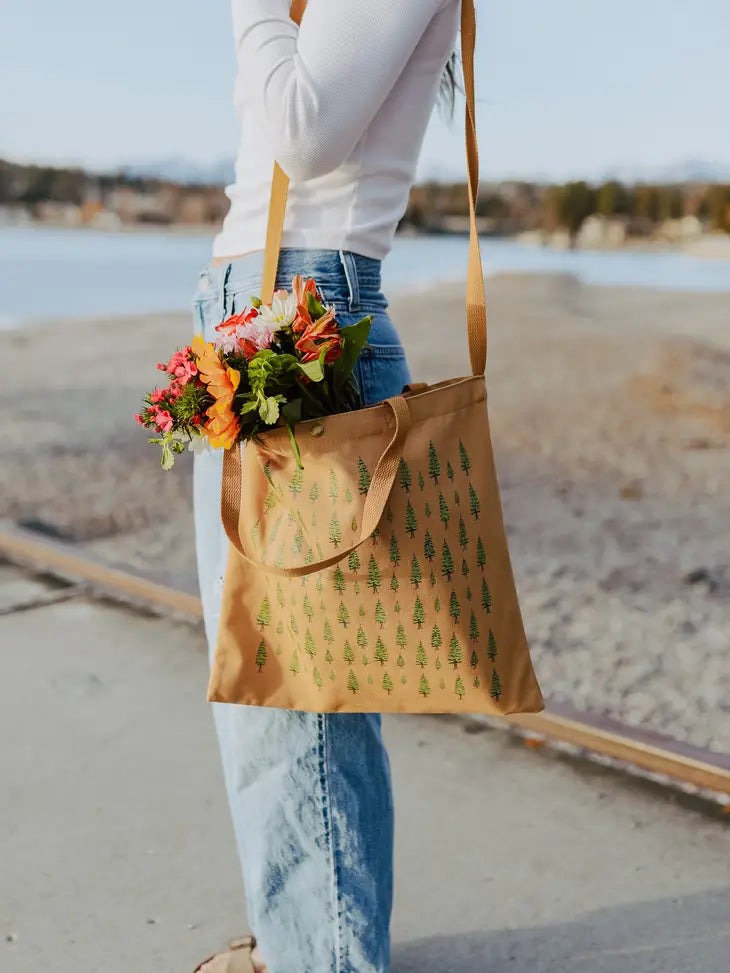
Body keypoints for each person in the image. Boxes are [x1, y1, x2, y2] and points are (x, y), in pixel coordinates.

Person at [192, 1, 462, 970]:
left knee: (297, 692)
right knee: (264, 683)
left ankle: (324, 959)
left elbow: (304, 132)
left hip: (304, 314)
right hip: (264, 303)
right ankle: (302, 942)